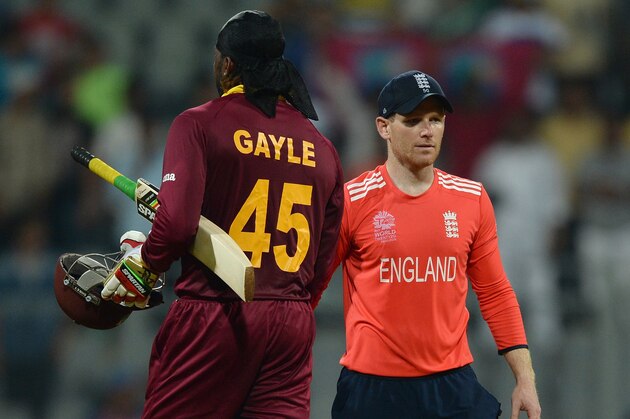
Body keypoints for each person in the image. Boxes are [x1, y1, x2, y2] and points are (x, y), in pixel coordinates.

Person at [98, 10, 344, 418]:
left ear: (227, 64)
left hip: (215, 313)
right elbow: (323, 260)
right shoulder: (322, 147)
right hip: (291, 322)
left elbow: (176, 224)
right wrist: (286, 304)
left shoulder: (197, 124)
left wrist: (146, 265)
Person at [315, 70, 541, 418]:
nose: (427, 130)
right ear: (383, 127)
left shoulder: (472, 198)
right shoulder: (352, 200)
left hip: (451, 386)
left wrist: (525, 378)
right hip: (373, 390)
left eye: (436, 120)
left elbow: (495, 292)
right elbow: (309, 289)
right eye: (413, 120)